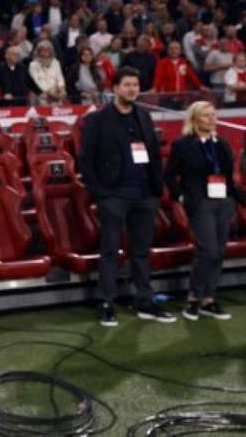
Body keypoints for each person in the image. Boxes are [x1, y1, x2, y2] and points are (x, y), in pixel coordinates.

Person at [79, 67, 176, 326]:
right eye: (127, 85)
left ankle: (145, 300)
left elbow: (154, 154)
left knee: (141, 251)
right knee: (110, 251)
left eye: (136, 85)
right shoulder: (97, 120)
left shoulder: (144, 116)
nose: (133, 89)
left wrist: (157, 189)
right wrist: (99, 193)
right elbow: (85, 160)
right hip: (114, 196)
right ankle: (107, 302)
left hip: (145, 195)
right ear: (115, 88)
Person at [164, 101, 245, 321]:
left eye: (213, 115)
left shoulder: (222, 144)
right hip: (200, 203)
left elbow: (228, 175)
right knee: (207, 250)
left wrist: (233, 198)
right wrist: (181, 197)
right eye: (206, 115)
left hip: (223, 202)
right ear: (195, 119)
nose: (212, 119)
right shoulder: (182, 144)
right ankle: (193, 298)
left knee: (218, 251)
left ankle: (208, 299)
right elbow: (169, 175)